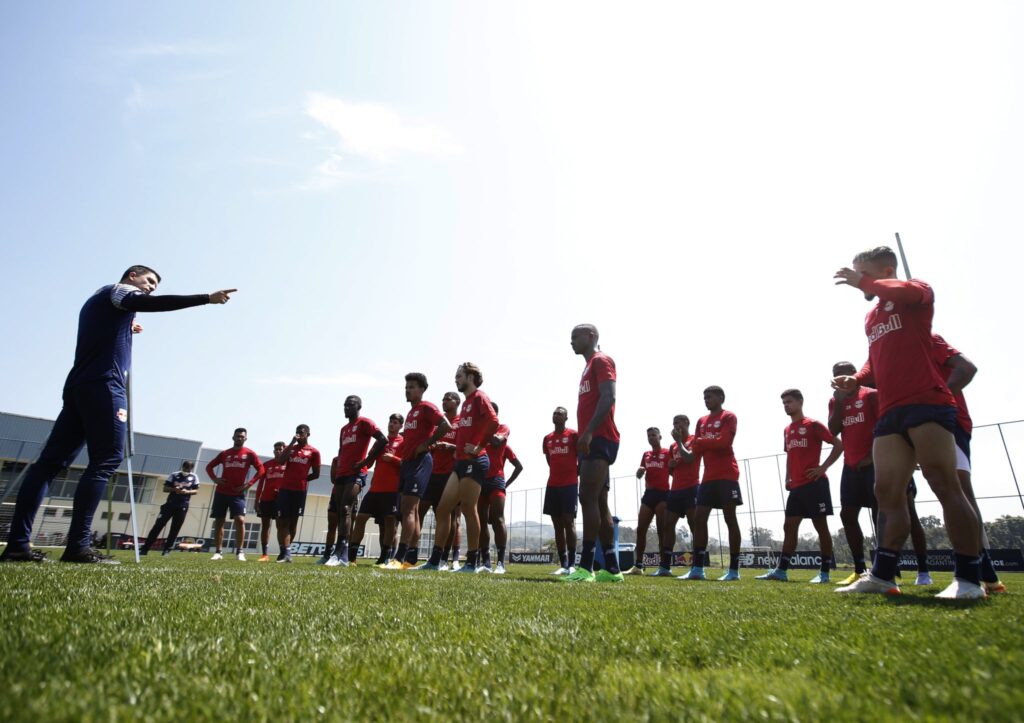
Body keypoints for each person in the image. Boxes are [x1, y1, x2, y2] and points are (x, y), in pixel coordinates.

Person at [1, 265, 234, 564]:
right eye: (148, 280)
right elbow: (150, 303)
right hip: (104, 385)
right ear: (132, 275)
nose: (151, 287)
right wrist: (206, 298)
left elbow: (112, 323)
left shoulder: (100, 301)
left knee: (49, 464)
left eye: (155, 285)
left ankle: (18, 546)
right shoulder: (119, 291)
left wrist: (126, 327)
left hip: (80, 385)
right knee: (106, 460)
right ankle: (78, 547)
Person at [834, 246, 983, 599]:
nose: (858, 280)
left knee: (944, 483)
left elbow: (902, 290)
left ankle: (969, 579)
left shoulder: (917, 291)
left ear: (887, 271)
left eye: (864, 272)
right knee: (886, 491)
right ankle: (883, 575)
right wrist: (857, 379)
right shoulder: (872, 316)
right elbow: (874, 361)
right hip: (890, 410)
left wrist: (864, 282)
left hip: (926, 402)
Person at [931, 333, 1005, 594]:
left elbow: (966, 368)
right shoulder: (891, 352)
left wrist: (936, 401)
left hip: (949, 422)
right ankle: (984, 573)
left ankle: (978, 573)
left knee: (958, 489)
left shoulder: (928, 339)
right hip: (917, 426)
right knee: (946, 491)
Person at [416, 363, 499, 572]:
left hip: (475, 461)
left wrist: (478, 446)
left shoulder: (479, 397)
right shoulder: (467, 403)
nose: (456, 379)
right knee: (443, 509)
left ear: (470, 377)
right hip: (460, 463)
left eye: (459, 376)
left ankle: (471, 562)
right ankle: (435, 561)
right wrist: (457, 449)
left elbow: (493, 421)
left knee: (469, 509)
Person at [757, 390, 842, 583]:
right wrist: (788, 477)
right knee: (789, 526)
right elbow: (790, 456)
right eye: (784, 403)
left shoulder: (813, 424)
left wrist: (823, 467)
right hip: (796, 487)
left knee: (821, 526)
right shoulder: (787, 430)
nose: (786, 405)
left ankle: (824, 573)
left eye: (789, 402)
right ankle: (781, 571)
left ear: (800, 402)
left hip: (815, 484)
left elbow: (838, 444)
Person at [564, 324, 623, 583]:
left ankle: (586, 567)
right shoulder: (588, 366)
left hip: (599, 439)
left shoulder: (601, 360)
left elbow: (609, 397)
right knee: (599, 502)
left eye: (575, 336)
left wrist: (587, 433)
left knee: (586, 497)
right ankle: (612, 569)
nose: (571, 342)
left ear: (590, 337)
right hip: (594, 438)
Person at [386, 374, 451, 570]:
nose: (408, 390)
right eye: (406, 387)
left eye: (412, 387)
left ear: (422, 389)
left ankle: (399, 557)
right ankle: (410, 557)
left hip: (420, 462)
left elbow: (445, 425)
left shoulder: (427, 407)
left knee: (409, 510)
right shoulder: (411, 412)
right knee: (410, 511)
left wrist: (426, 444)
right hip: (407, 464)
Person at [682, 386, 743, 581]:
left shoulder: (728, 416)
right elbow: (693, 456)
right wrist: (681, 444)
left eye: (709, 397)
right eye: (704, 397)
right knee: (699, 519)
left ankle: (734, 571)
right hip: (708, 478)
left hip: (727, 475)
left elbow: (724, 442)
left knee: (730, 518)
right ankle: (697, 569)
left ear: (721, 398)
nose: (706, 400)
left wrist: (701, 441)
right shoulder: (701, 421)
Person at [324, 396, 387, 567]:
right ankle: (340, 553)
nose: (346, 407)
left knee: (346, 508)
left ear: (359, 406)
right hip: (342, 474)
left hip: (356, 473)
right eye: (345, 405)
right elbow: (341, 450)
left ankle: (341, 551)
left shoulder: (365, 423)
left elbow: (383, 440)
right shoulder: (344, 429)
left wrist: (365, 462)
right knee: (339, 511)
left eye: (350, 405)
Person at [350, 414, 403, 566]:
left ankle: (384, 558)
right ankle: (351, 557)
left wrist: (393, 459)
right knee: (361, 518)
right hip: (374, 489)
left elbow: (408, 464)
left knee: (389, 523)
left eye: (395, 422)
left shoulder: (403, 442)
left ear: (400, 426)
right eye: (390, 421)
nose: (391, 424)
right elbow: (369, 462)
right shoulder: (381, 442)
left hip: (392, 490)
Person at [417, 391, 463, 570]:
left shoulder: (461, 422)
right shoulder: (439, 423)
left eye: (448, 399)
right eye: (443, 399)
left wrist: (450, 446)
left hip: (451, 474)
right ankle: (411, 551)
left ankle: (443, 557)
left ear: (457, 402)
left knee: (448, 515)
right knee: (419, 509)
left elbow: (464, 446)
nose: (444, 402)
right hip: (432, 473)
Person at [206, 428, 265, 561]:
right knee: (219, 521)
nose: (239, 438)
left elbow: (261, 470)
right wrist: (215, 479)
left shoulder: (249, 454)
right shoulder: (225, 453)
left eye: (242, 436)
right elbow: (209, 467)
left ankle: (240, 552)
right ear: (233, 437)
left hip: (237, 494)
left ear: (245, 439)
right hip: (221, 492)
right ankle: (218, 552)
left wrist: (248, 484)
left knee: (240, 520)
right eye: (237, 436)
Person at [477, 404, 522, 574]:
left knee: (497, 519)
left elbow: (497, 442)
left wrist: (506, 484)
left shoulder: (503, 428)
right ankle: (486, 562)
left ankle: (501, 563)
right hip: (480, 481)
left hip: (496, 481)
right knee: (481, 521)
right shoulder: (479, 431)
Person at [624, 428, 670, 576]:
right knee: (641, 529)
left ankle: (664, 566)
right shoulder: (646, 454)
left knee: (662, 531)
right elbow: (640, 474)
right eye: (649, 436)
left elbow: (673, 471)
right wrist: (639, 472)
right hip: (649, 494)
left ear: (660, 437)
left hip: (663, 495)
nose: (651, 438)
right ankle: (638, 565)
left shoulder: (667, 453)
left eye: (653, 435)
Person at [274, 424, 321, 563]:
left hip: (299, 491)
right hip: (285, 489)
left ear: (308, 434)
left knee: (293, 523)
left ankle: (286, 552)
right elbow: (280, 461)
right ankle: (286, 552)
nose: (299, 434)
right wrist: (291, 443)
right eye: (297, 432)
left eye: (302, 432)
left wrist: (303, 480)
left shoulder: (314, 452)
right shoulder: (291, 449)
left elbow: (316, 474)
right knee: (283, 522)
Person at [543, 407, 580, 575]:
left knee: (568, 521)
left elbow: (582, 455)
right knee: (557, 525)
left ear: (566, 417)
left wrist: (576, 470)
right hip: (552, 485)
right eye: (554, 413)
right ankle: (563, 564)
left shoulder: (573, 435)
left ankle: (572, 564)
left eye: (560, 413)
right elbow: (549, 459)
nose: (556, 415)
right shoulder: (547, 438)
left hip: (569, 485)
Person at [661, 415, 699, 576]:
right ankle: (665, 567)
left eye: (678, 422)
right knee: (668, 524)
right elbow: (672, 470)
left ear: (687, 423)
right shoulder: (672, 446)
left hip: (692, 488)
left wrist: (679, 441)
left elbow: (689, 458)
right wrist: (670, 467)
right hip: (675, 490)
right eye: (674, 423)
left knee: (694, 524)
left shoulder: (695, 439)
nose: (676, 425)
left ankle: (697, 566)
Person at [139, 460, 199, 556]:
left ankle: (167, 549)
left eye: (189, 468)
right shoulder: (174, 475)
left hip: (183, 505)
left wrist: (187, 492)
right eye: (185, 468)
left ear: (191, 468)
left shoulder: (194, 477)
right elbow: (165, 488)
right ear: (182, 467)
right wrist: (174, 489)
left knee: (175, 528)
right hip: (170, 504)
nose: (187, 470)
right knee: (158, 526)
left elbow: (195, 491)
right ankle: (145, 548)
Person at [251, 442, 286, 562]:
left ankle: (282, 553)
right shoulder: (266, 465)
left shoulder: (288, 464)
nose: (278, 451)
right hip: (266, 499)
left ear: (284, 450)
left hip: (281, 500)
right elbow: (260, 484)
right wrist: (257, 500)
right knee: (265, 526)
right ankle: (264, 554)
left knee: (280, 526)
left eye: (280, 449)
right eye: (276, 449)